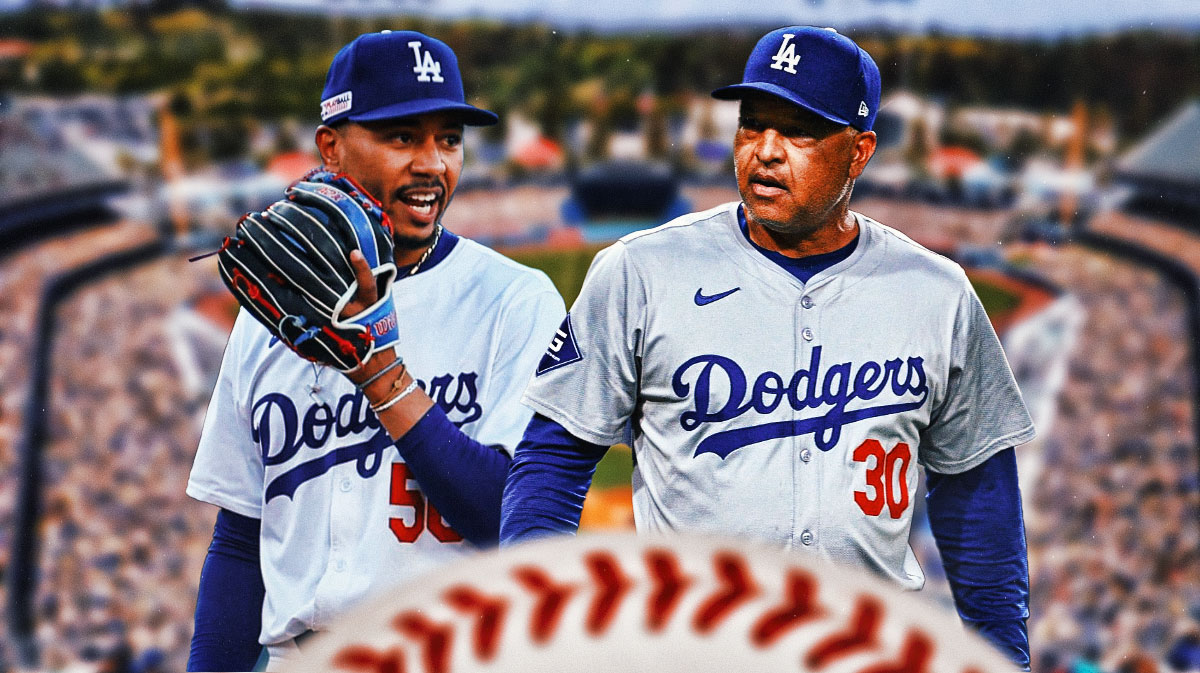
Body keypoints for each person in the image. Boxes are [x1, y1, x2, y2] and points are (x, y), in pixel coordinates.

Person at [500, 26, 1036, 669]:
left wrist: (1006, 657)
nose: (766, 152)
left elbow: (977, 493)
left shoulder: (936, 292)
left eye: (799, 131)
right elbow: (553, 460)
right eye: (752, 126)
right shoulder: (641, 271)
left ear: (859, 152)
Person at [186, 30, 565, 671]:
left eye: (449, 139)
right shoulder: (270, 317)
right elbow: (242, 541)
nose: (432, 164)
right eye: (402, 137)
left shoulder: (515, 300)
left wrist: (380, 370)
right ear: (331, 148)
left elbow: (514, 521)